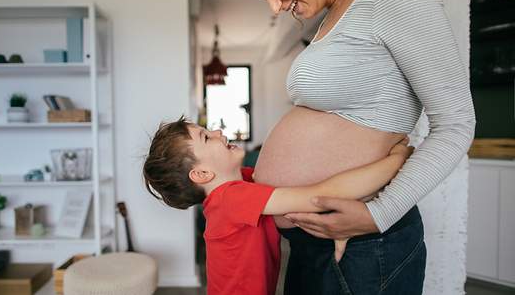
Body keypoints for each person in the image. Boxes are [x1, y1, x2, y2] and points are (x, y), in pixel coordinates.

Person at [233, 0, 476, 294]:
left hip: (362, 246)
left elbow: (456, 123)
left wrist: (378, 214)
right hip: (314, 243)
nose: (274, 7)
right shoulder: (335, 12)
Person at [142, 117, 414, 295]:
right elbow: (320, 196)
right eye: (205, 137)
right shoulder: (231, 199)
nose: (216, 131)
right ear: (201, 175)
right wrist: (397, 158)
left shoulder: (243, 183)